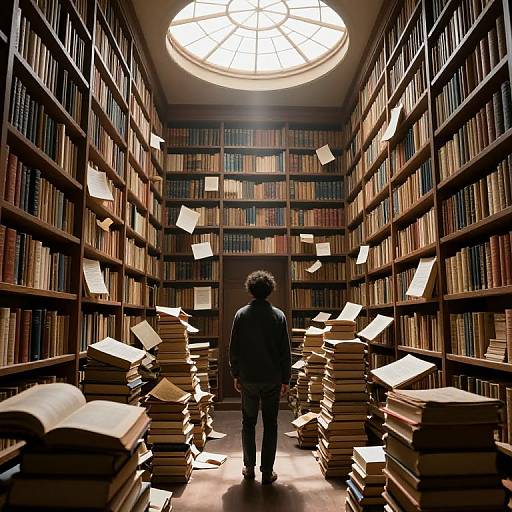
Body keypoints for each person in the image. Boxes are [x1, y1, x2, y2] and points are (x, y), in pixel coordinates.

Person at [229, 270, 292, 485]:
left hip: (248, 378)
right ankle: (267, 471)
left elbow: (234, 349)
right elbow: (285, 351)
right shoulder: (278, 316)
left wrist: (235, 373)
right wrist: (286, 379)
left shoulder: (241, 315)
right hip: (272, 378)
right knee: (271, 423)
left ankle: (248, 468)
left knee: (248, 422)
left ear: (250, 289)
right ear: (270, 290)